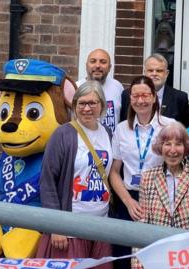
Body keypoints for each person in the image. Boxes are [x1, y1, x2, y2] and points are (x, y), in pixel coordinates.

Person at [36, 81, 113, 268]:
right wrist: (57, 226)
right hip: (70, 227)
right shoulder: (63, 134)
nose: (87, 108)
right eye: (82, 103)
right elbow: (48, 182)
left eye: (93, 103)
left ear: (102, 105)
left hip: (101, 226)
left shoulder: (108, 133)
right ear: (75, 105)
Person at [109, 75, 175, 268]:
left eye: (145, 95)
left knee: (154, 258)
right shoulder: (121, 130)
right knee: (123, 258)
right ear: (130, 99)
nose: (140, 100)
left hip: (160, 199)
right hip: (128, 200)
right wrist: (128, 201)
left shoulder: (169, 126)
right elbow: (114, 171)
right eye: (135, 96)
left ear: (154, 97)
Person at [131, 122, 189, 269]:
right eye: (167, 144)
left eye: (178, 144)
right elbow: (142, 224)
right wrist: (137, 263)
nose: (173, 150)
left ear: (185, 147)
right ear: (160, 147)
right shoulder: (147, 177)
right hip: (158, 257)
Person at [121, 54, 189, 127]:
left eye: (159, 71)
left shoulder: (180, 98)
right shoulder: (127, 95)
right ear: (144, 72)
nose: (154, 74)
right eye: (150, 70)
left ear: (166, 74)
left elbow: (185, 130)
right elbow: (124, 124)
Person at [77, 48, 124, 132]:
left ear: (109, 67)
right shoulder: (76, 87)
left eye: (103, 62)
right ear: (86, 65)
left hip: (111, 144)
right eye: (93, 61)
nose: (97, 65)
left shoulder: (118, 87)